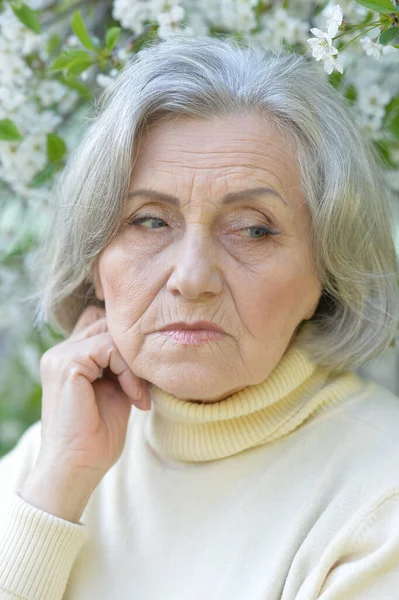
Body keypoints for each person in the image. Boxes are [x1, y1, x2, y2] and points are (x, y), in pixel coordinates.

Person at [0, 34, 398, 600]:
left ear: (329, 270)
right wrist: (57, 486)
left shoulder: (380, 503)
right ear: (95, 259)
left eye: (254, 229)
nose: (192, 277)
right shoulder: (54, 453)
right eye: (149, 221)